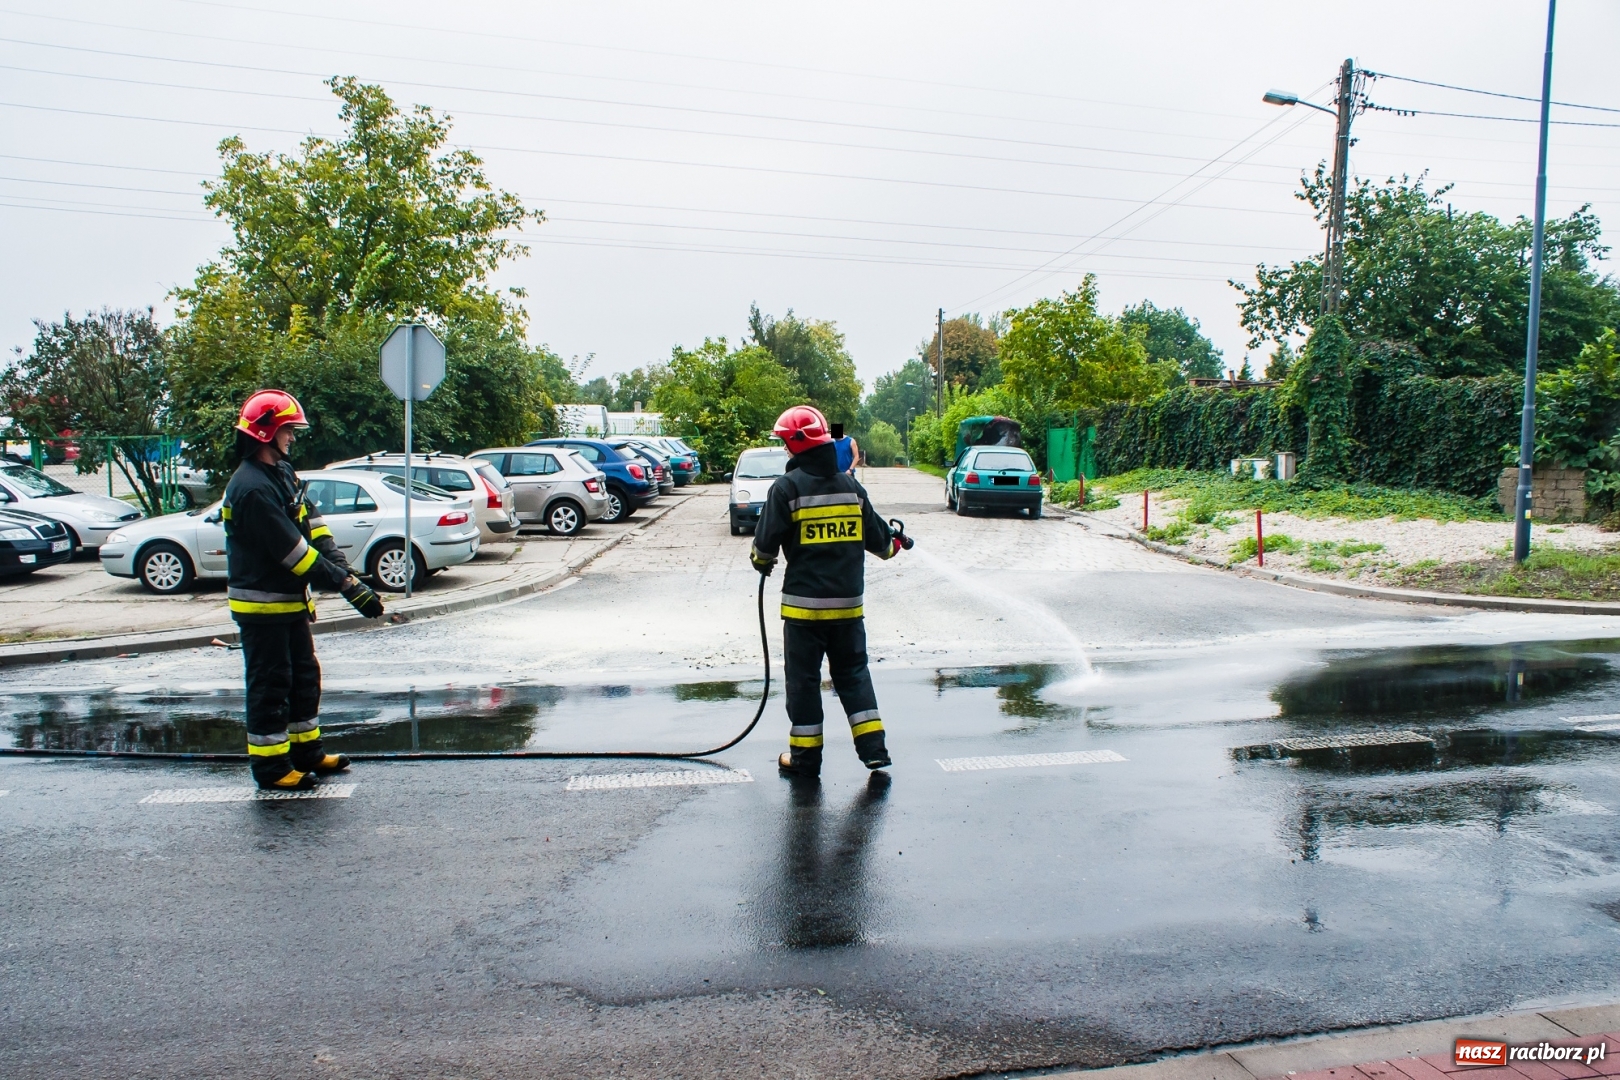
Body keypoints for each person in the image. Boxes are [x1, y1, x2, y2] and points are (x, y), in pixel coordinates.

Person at [224, 390, 386, 791]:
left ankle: (306, 754)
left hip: (289, 605)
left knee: (303, 679)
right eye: (288, 430)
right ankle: (273, 769)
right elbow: (295, 554)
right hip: (262, 609)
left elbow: (315, 530)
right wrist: (346, 585)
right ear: (266, 433)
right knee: (270, 685)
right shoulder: (252, 489)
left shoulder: (281, 474)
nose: (293, 438)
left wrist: (346, 570)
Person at [750, 405, 906, 779]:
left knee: (803, 684)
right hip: (849, 612)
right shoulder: (852, 488)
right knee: (853, 676)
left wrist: (761, 561)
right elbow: (883, 545)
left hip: (804, 615)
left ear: (794, 443)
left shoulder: (786, 489)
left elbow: (763, 549)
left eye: (785, 443)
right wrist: (896, 542)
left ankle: (805, 761)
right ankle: (874, 751)